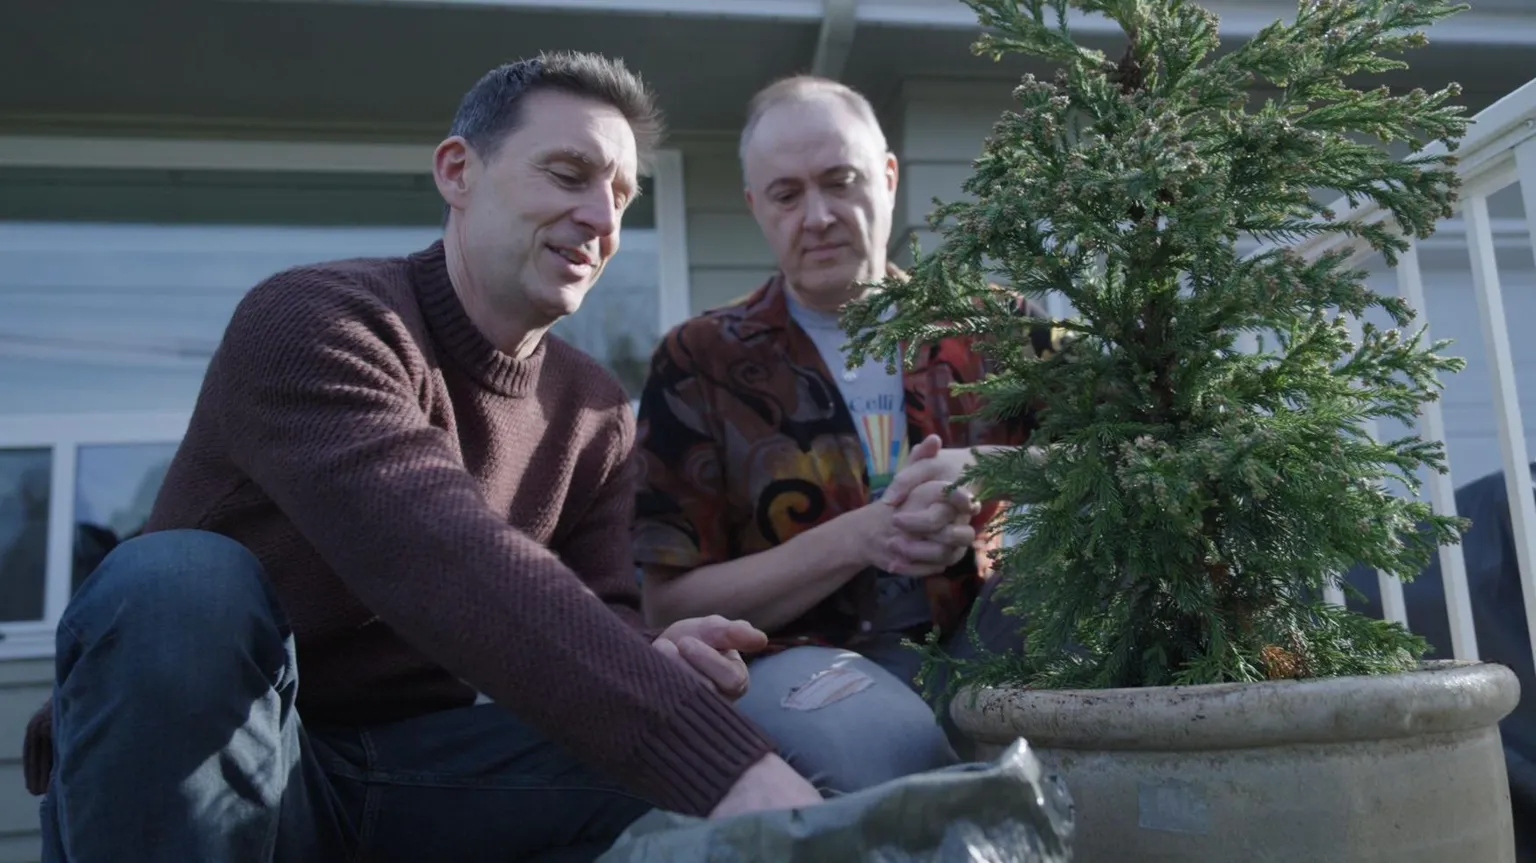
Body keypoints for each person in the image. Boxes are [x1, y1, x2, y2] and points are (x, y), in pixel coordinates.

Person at [21, 52, 822, 863]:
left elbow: (600, 606)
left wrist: (648, 654)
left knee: (679, 744)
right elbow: (437, 551)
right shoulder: (318, 321)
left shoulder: (595, 411)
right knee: (180, 582)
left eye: (620, 195)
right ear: (457, 171)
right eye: (567, 174)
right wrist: (731, 774)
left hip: (408, 774)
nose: (601, 218)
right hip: (205, 768)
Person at [632, 75, 1061, 793]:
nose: (820, 215)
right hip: (802, 660)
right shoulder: (697, 357)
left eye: (842, 180)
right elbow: (668, 603)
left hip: (979, 627)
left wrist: (985, 467)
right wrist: (862, 535)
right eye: (787, 194)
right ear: (755, 208)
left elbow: (1132, 447)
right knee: (894, 760)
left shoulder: (1007, 325)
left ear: (888, 178)